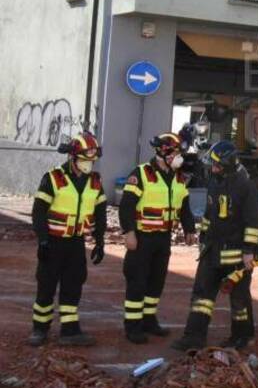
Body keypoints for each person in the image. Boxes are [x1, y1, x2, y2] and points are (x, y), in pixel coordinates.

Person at [172, 141, 258, 352]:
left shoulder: (246, 187)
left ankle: (243, 336)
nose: (213, 168)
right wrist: (203, 236)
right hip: (212, 250)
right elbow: (209, 213)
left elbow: (253, 222)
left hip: (237, 255)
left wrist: (249, 251)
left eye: (217, 165)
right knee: (201, 295)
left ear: (229, 164)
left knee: (239, 300)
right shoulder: (215, 182)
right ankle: (194, 337)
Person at [29, 132, 106, 347]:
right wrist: (43, 240)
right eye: (84, 159)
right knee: (46, 285)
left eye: (91, 160)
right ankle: (39, 329)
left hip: (76, 243)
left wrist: (100, 241)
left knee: (74, 285)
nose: (88, 164)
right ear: (73, 158)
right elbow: (38, 212)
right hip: (54, 242)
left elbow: (100, 213)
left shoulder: (95, 182)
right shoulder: (54, 178)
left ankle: (70, 331)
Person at [119, 132, 198, 344]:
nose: (178, 157)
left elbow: (184, 207)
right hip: (142, 238)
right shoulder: (142, 174)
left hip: (163, 238)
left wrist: (189, 229)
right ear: (162, 153)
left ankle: (148, 320)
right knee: (137, 281)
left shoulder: (179, 178)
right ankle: (133, 326)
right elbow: (126, 207)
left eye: (179, 153)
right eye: (174, 153)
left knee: (156, 282)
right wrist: (129, 233)